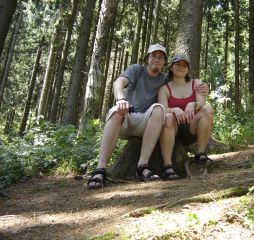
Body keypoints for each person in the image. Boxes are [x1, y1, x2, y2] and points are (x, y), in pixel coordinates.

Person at [87, 44, 208, 189]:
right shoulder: (136, 70)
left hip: (148, 121)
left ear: (164, 63)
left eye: (160, 57)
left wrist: (205, 88)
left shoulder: (165, 80)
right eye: (153, 56)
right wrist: (120, 98)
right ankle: (100, 170)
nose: (157, 60)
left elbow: (182, 85)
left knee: (159, 109)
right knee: (116, 111)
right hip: (128, 116)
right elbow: (119, 82)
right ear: (147, 59)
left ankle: (142, 166)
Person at [158, 55, 214, 180]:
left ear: (188, 69)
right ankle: (167, 165)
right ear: (171, 68)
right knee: (167, 116)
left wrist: (192, 104)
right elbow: (161, 109)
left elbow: (202, 103)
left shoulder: (196, 83)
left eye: (184, 65)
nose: (181, 67)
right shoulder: (164, 89)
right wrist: (175, 109)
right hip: (172, 129)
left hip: (191, 127)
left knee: (208, 109)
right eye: (178, 64)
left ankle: (200, 154)